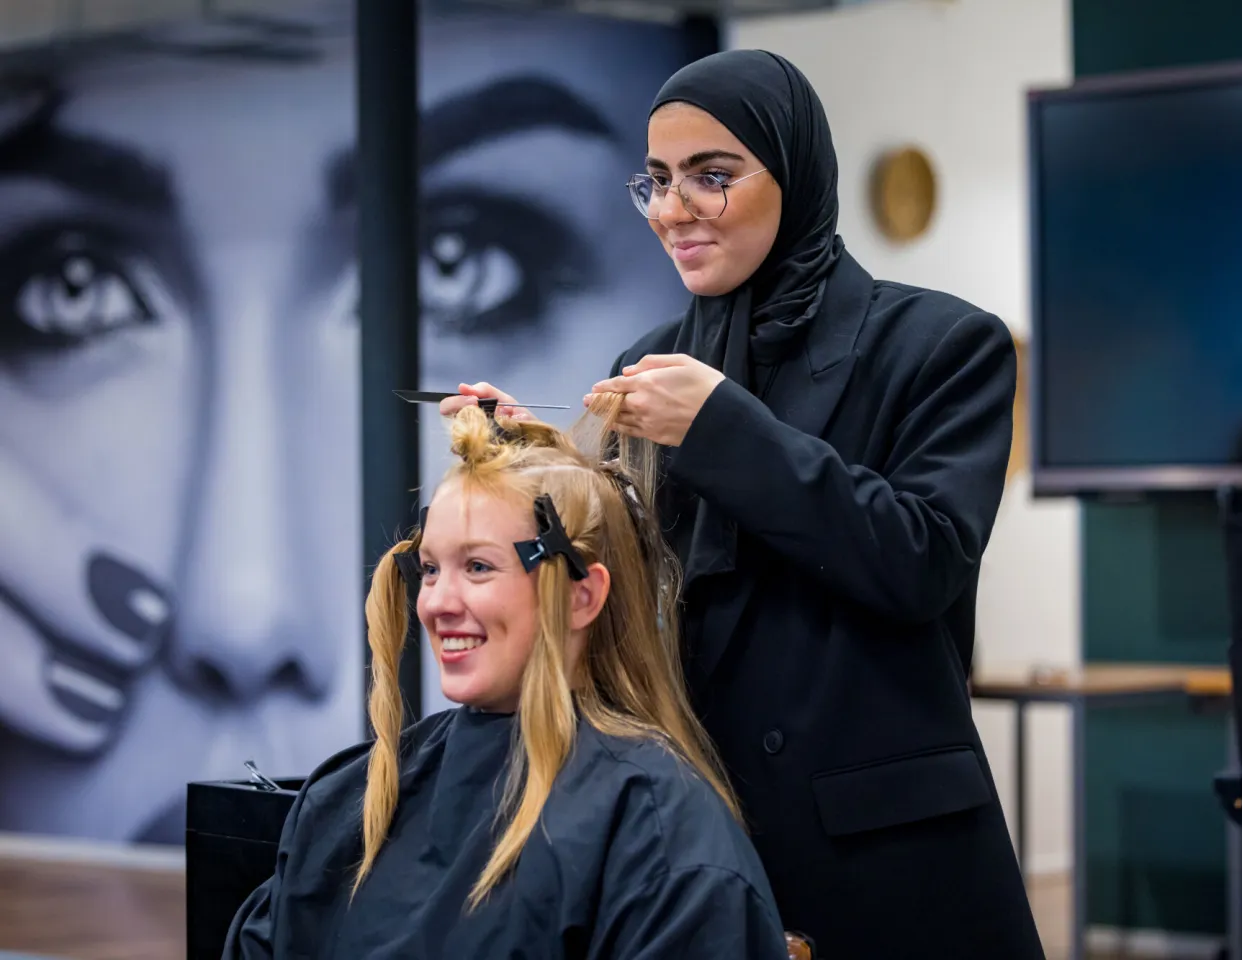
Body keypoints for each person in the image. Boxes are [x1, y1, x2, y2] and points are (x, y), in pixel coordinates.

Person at [0, 5, 704, 844]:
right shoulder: (344, 826)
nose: (242, 615)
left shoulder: (664, 847)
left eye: (461, 264)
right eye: (76, 286)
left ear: (588, 588)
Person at [444, 49, 1045, 959]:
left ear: (794, 174)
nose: (671, 211)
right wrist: (532, 456)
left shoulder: (942, 345)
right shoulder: (647, 363)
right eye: (654, 182)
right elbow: (621, 571)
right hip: (697, 832)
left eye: (711, 178)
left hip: (885, 855)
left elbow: (920, 561)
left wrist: (725, 427)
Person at [224, 400, 790, 959]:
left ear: (581, 595)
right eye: (429, 569)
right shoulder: (346, 802)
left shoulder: (656, 833)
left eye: (477, 567)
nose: (438, 603)